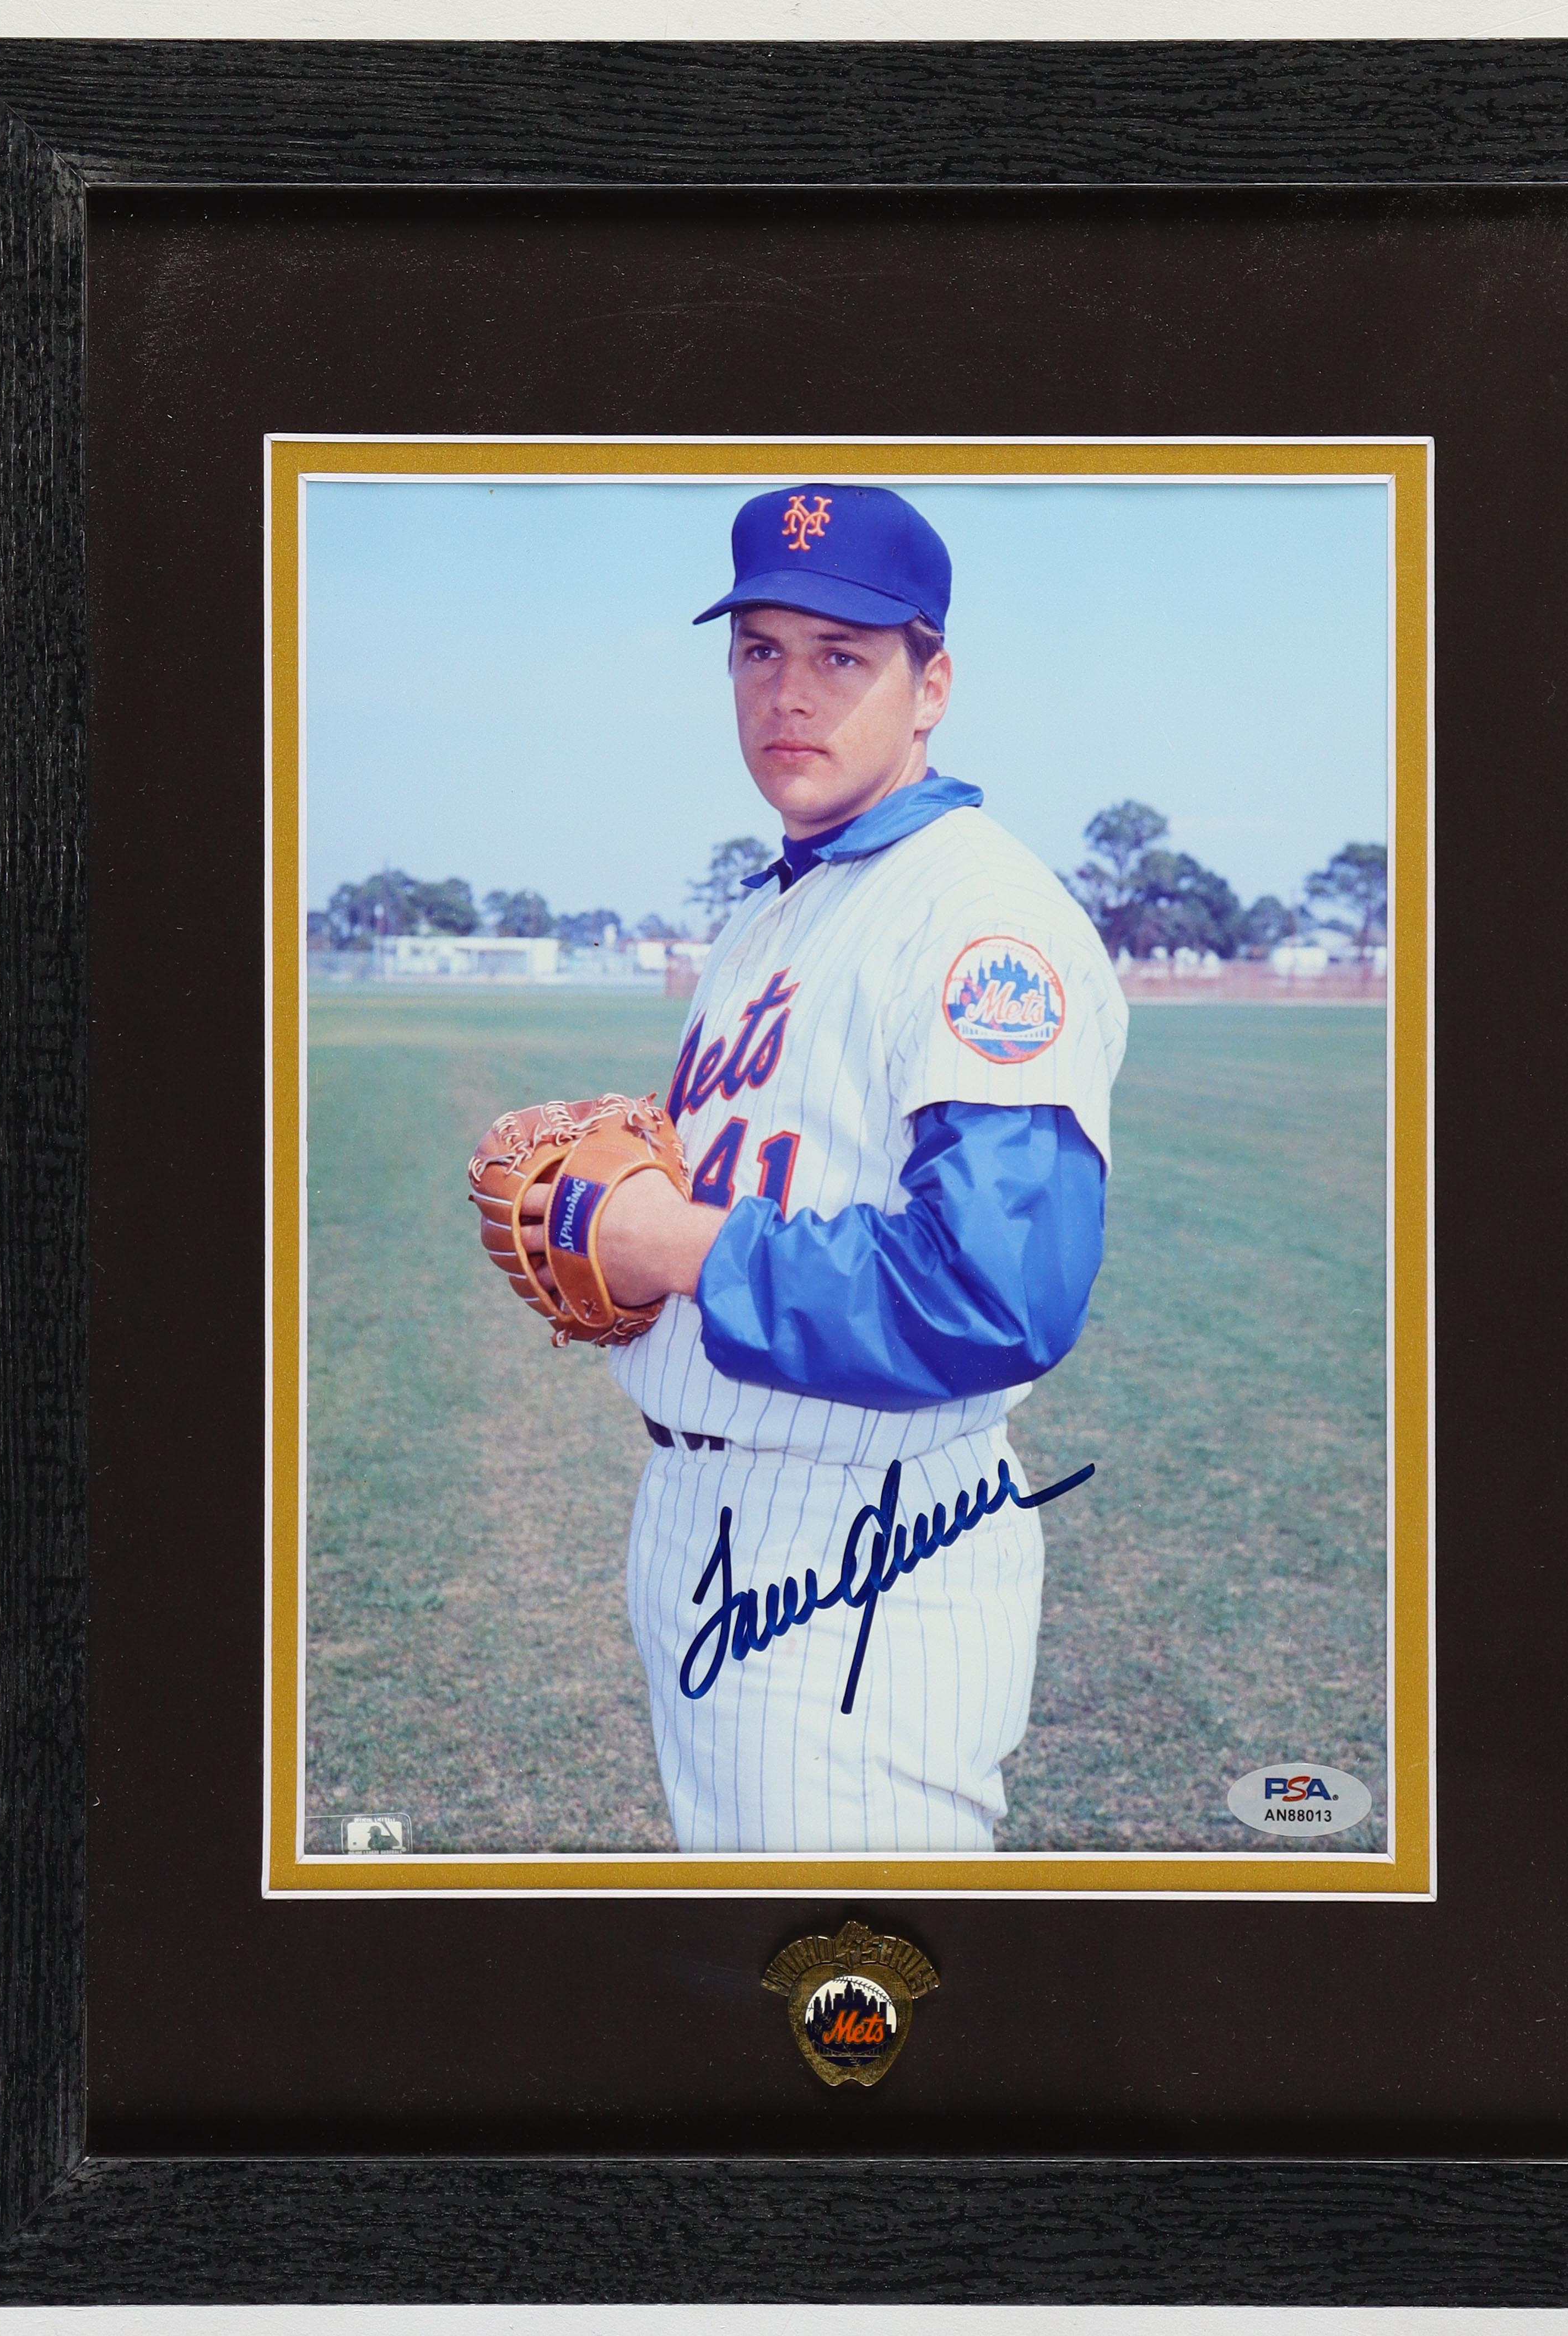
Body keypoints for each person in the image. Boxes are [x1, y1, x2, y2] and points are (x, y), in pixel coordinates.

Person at [527, 482, 1128, 1853]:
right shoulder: (778, 905)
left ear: (933, 686)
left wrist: (668, 1244)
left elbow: (993, 1293)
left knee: (857, 1965)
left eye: (842, 655)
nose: (788, 693)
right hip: (717, 1511)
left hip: (856, 1548)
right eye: (760, 650)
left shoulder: (978, 916)